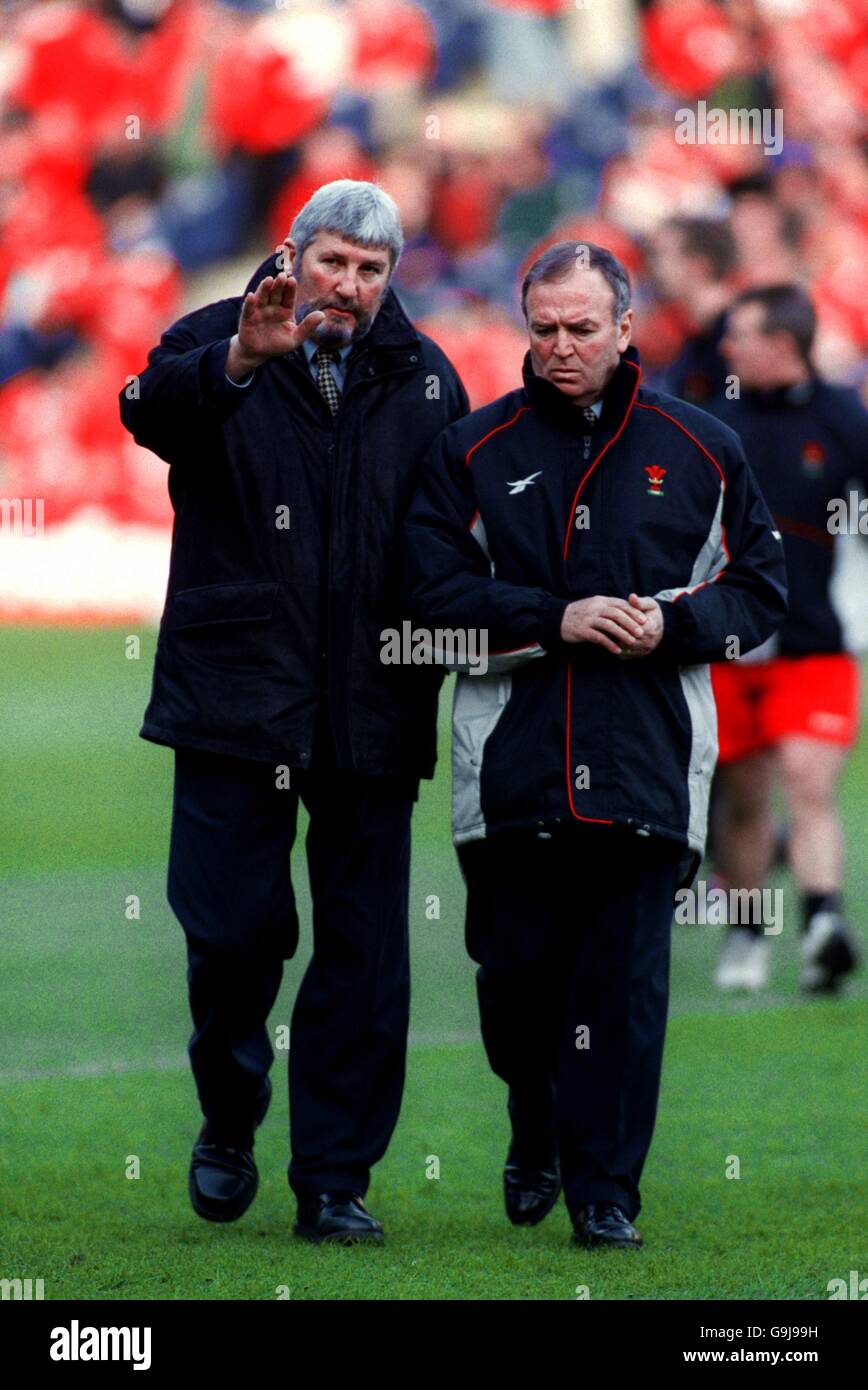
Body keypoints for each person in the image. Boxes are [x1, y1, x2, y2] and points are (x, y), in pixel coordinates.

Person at [404, 241, 787, 1250]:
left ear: (626, 329)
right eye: (543, 329)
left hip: (650, 763)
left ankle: (605, 1190)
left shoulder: (702, 446)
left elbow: (760, 591)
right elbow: (424, 600)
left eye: (582, 329)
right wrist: (550, 617)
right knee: (514, 988)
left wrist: (673, 627)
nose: (561, 347)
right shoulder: (473, 451)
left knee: (621, 991)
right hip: (511, 768)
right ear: (521, 325)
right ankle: (532, 1115)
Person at [119, 180, 469, 1244]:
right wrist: (240, 363)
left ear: (389, 278)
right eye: (333, 264)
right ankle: (230, 1116)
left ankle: (333, 1177)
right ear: (291, 253)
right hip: (234, 696)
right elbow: (146, 410)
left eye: (370, 271)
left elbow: (449, 537)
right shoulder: (216, 338)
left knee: (364, 955)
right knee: (231, 935)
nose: (349, 288)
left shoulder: (426, 377)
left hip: (371, 704)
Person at [708, 284, 865, 993]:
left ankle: (823, 924)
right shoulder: (714, 422)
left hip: (816, 643)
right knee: (743, 798)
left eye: (740, 335)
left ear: (782, 345)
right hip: (732, 645)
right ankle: (747, 932)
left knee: (806, 783)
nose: (727, 348)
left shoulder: (842, 419)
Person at [649, 215, 737, 408]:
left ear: (698, 266)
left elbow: (738, 413)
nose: (654, 267)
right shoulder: (698, 340)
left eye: (662, 255)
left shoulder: (736, 335)